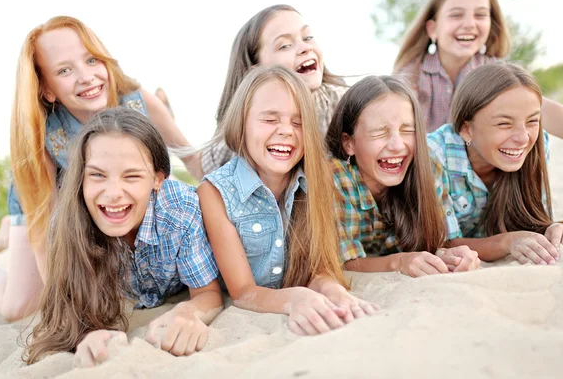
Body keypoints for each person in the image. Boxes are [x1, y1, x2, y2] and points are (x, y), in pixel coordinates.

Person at [0, 16, 197, 321]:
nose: (86, 77)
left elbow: (193, 158)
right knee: (19, 307)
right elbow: (48, 224)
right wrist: (66, 300)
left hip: (94, 197)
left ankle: (7, 231)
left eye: (91, 60)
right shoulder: (44, 135)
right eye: (64, 70)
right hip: (45, 204)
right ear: (46, 88)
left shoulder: (138, 102)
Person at [25, 107, 222, 365]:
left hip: (170, 289)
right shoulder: (66, 222)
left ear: (157, 178)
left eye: (131, 176)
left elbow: (208, 292)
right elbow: (68, 307)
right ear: (81, 178)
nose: (113, 192)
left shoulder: (182, 210)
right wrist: (89, 335)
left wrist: (188, 312)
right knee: (13, 304)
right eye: (97, 175)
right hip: (125, 291)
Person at [198, 65, 379, 336]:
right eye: (270, 119)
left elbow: (317, 269)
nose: (286, 130)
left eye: (298, 122)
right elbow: (243, 292)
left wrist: (334, 292)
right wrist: (296, 299)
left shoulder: (317, 182)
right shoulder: (214, 193)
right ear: (242, 123)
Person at [326, 75, 480, 277]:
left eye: (408, 130)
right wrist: (399, 262)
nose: (398, 145)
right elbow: (343, 262)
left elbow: (437, 244)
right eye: (380, 133)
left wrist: (450, 255)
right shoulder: (334, 178)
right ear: (349, 143)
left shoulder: (428, 167)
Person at [428, 62, 562, 264]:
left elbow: (529, 219)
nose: (523, 138)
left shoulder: (537, 144)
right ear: (466, 129)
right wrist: (508, 242)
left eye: (532, 121)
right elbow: (441, 244)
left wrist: (551, 228)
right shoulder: (434, 155)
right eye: (504, 124)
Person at [394, 0, 563, 137]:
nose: (469, 24)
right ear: (433, 29)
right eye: (456, 15)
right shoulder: (411, 75)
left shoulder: (497, 74)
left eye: (480, 15)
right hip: (423, 167)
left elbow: (538, 108)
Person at [197, 4, 348, 177]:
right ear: (256, 70)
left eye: (308, 37)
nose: (305, 48)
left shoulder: (342, 103)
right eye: (284, 46)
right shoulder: (242, 126)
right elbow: (206, 167)